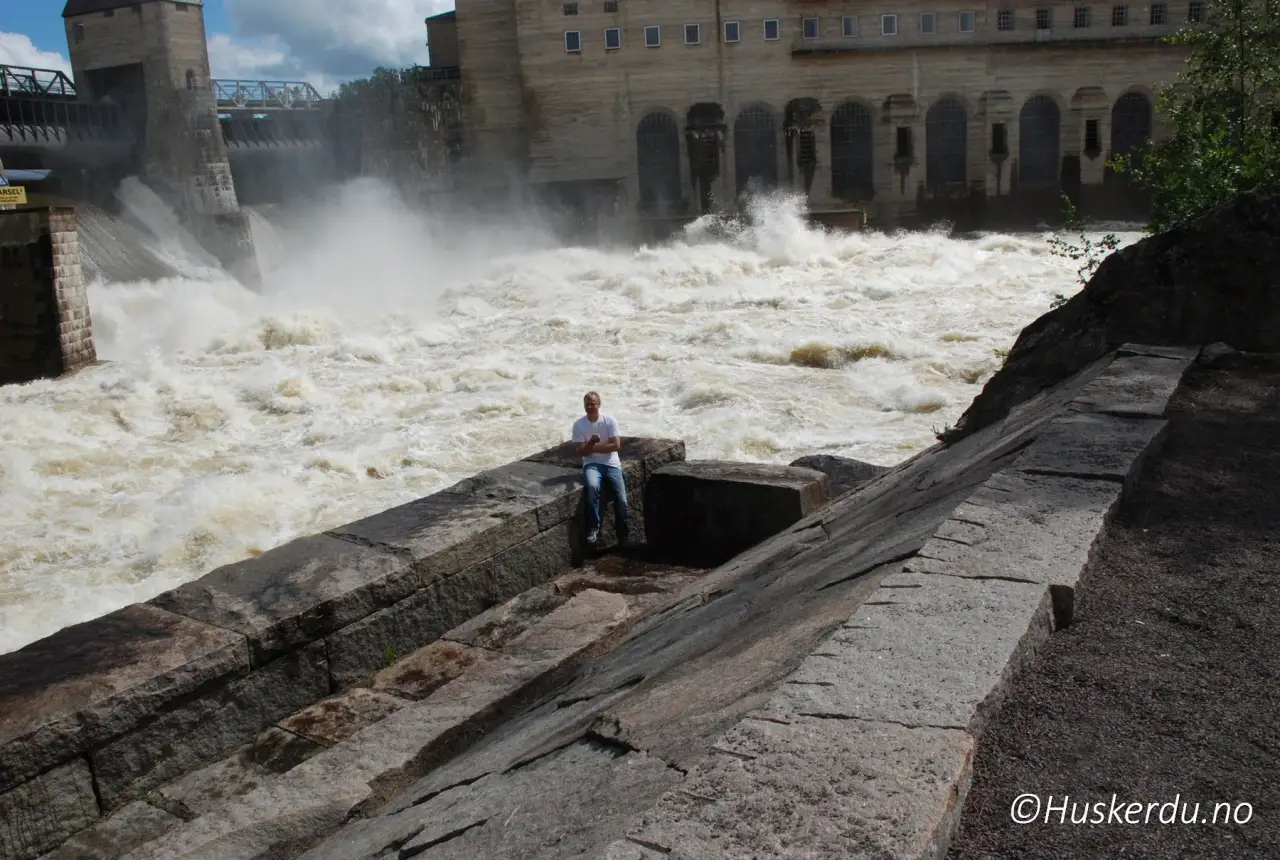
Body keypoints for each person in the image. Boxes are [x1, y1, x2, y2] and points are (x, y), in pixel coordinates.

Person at [571, 391, 628, 547]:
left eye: (593, 404)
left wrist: (591, 446)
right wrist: (590, 444)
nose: (590, 407)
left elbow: (616, 446)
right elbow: (581, 451)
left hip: (612, 464)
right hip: (591, 465)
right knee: (592, 487)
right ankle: (593, 527)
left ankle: (622, 532)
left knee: (622, 499)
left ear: (599, 404)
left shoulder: (609, 421)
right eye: (587, 404)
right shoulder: (579, 425)